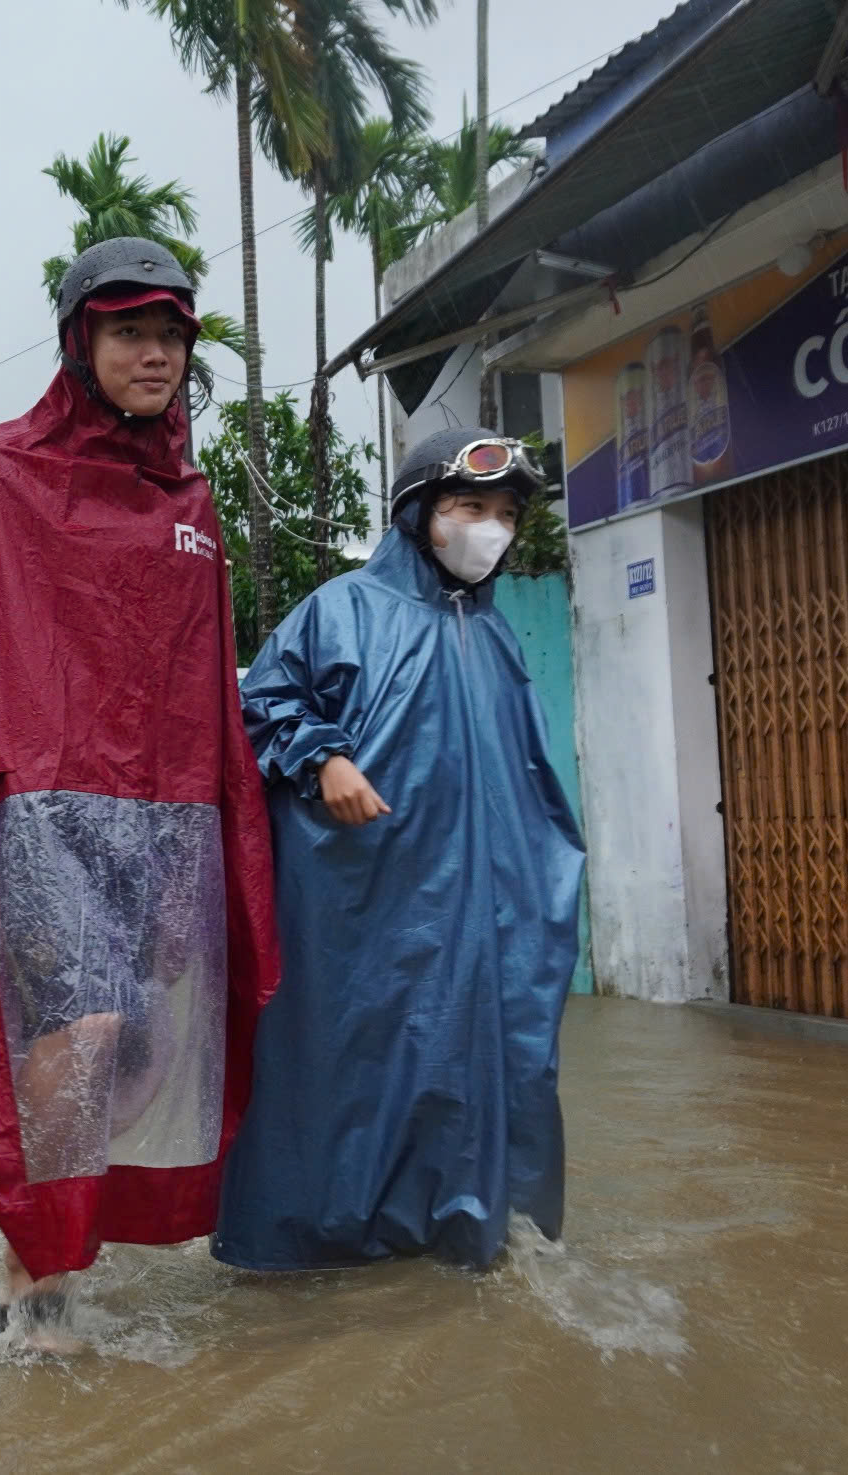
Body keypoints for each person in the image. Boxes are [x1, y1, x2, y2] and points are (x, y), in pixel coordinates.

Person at [0, 237, 278, 1338]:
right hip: (36, 814)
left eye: (170, 336)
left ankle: (49, 1230)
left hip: (163, 824)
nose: (154, 355)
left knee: (144, 1042)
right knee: (82, 1025)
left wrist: (222, 825)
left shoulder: (189, 500)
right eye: (128, 332)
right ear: (78, 341)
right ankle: (35, 1271)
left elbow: (201, 679)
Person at [212, 426, 586, 1274]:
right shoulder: (340, 610)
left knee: (470, 1069)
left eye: (503, 513)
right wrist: (325, 757)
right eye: (468, 507)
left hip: (475, 918)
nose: (488, 528)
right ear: (421, 514)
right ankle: (306, 1252)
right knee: (338, 1072)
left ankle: (453, 1239)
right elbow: (261, 705)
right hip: (354, 912)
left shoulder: (497, 641)